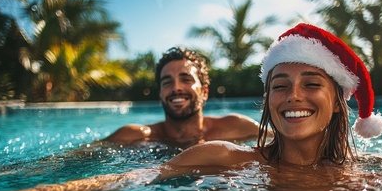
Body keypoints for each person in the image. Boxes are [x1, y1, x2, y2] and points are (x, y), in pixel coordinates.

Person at [0, 23, 382, 191]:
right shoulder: (223, 155)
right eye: (279, 85)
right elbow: (126, 176)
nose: (293, 97)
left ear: (337, 101)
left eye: (312, 84)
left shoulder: (368, 174)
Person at [91, 46, 260, 148]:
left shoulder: (238, 127)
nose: (176, 88)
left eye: (186, 79)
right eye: (167, 82)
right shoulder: (135, 136)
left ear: (205, 92)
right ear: (160, 94)